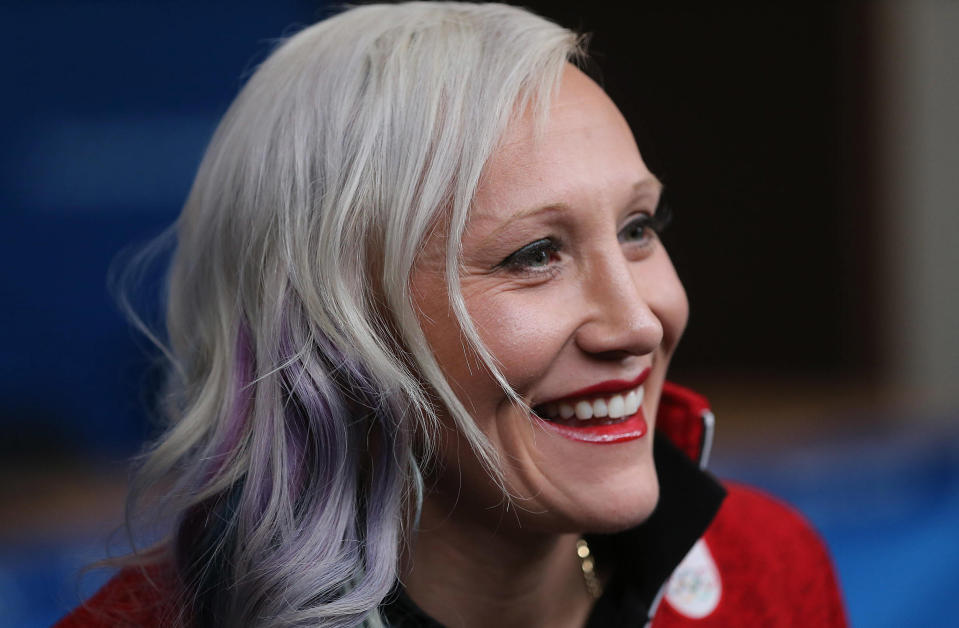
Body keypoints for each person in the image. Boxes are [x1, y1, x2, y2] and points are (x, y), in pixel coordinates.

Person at [58, 3, 847, 627]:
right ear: (334, 331)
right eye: (535, 253)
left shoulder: (765, 569)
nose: (637, 323)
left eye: (637, 228)